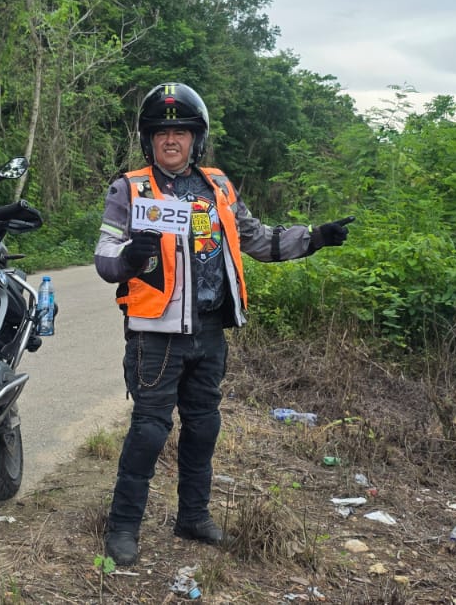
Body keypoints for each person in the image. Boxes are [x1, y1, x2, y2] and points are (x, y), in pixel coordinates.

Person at [93, 82, 353, 566]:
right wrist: (130, 257)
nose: (172, 140)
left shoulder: (219, 187)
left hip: (210, 331)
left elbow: (258, 239)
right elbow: (105, 257)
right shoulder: (130, 188)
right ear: (148, 140)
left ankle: (193, 516)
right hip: (156, 336)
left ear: (197, 138)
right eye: (162, 132)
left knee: (204, 426)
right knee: (149, 431)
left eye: (182, 131)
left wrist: (313, 238)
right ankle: (123, 527)